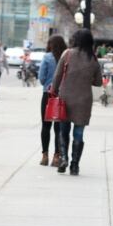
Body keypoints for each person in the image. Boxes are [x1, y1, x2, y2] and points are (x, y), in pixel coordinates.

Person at [51, 29, 102, 175]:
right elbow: (98, 82)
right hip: (84, 101)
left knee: (63, 131)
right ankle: (75, 165)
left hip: (65, 98)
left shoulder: (67, 54)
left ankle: (64, 159)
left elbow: (57, 76)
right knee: (78, 134)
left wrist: (54, 90)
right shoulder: (93, 58)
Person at [38, 34, 67, 166]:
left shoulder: (47, 58)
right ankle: (57, 156)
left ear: (50, 45)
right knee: (59, 127)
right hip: (61, 95)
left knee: (45, 126)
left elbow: (41, 78)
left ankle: (44, 156)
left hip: (47, 95)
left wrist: (47, 84)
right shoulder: (67, 58)